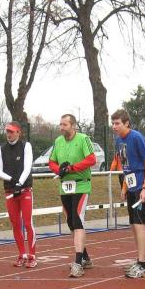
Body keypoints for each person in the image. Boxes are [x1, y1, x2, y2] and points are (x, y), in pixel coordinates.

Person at [49, 113, 97, 278]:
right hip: (65, 186)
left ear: (73, 125)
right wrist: (59, 169)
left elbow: (91, 159)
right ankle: (85, 258)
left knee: (77, 220)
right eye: (60, 124)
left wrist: (72, 168)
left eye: (65, 124)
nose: (61, 127)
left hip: (81, 184)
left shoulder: (83, 139)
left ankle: (77, 262)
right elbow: (51, 162)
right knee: (70, 221)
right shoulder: (58, 141)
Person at [112, 108, 145, 278]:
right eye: (113, 123)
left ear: (126, 123)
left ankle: (142, 263)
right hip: (130, 185)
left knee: (139, 222)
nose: (114, 126)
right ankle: (141, 259)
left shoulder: (136, 137)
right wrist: (124, 187)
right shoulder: (117, 140)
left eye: (117, 123)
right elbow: (124, 166)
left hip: (141, 185)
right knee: (133, 224)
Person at [0, 121, 36, 267]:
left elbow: (27, 167)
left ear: (18, 132)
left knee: (27, 223)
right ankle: (21, 254)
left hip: (25, 190)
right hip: (10, 191)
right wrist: (12, 180)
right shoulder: (1, 149)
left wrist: (20, 183)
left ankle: (32, 256)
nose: (9, 134)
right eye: (7, 131)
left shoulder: (26, 146)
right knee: (15, 223)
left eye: (11, 131)